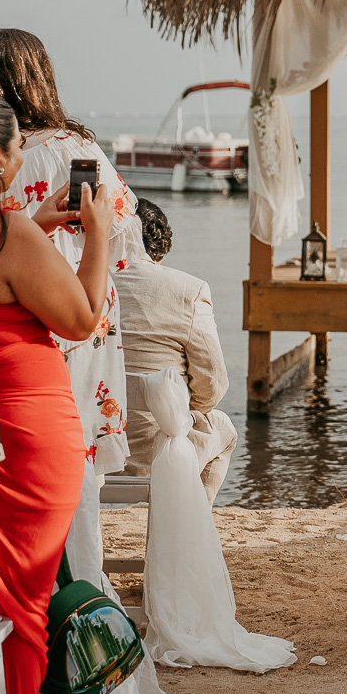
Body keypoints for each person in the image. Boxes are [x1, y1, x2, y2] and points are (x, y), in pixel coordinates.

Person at [0, 85, 113, 694]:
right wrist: (103, 235)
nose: (24, 156)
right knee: (21, 611)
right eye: (17, 145)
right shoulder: (8, 232)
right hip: (35, 431)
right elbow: (83, 319)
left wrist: (39, 229)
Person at [0, 30, 142, 496]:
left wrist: (35, 224)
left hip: (0, 327)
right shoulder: (70, 146)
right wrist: (95, 231)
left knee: (14, 464)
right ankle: (81, 567)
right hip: (74, 311)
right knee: (76, 456)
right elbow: (127, 241)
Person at [117, 197, 237, 502]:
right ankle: (195, 523)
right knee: (224, 430)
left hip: (96, 452)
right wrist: (178, 411)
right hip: (158, 456)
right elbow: (213, 385)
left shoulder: (84, 288)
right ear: (163, 244)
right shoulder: (190, 290)